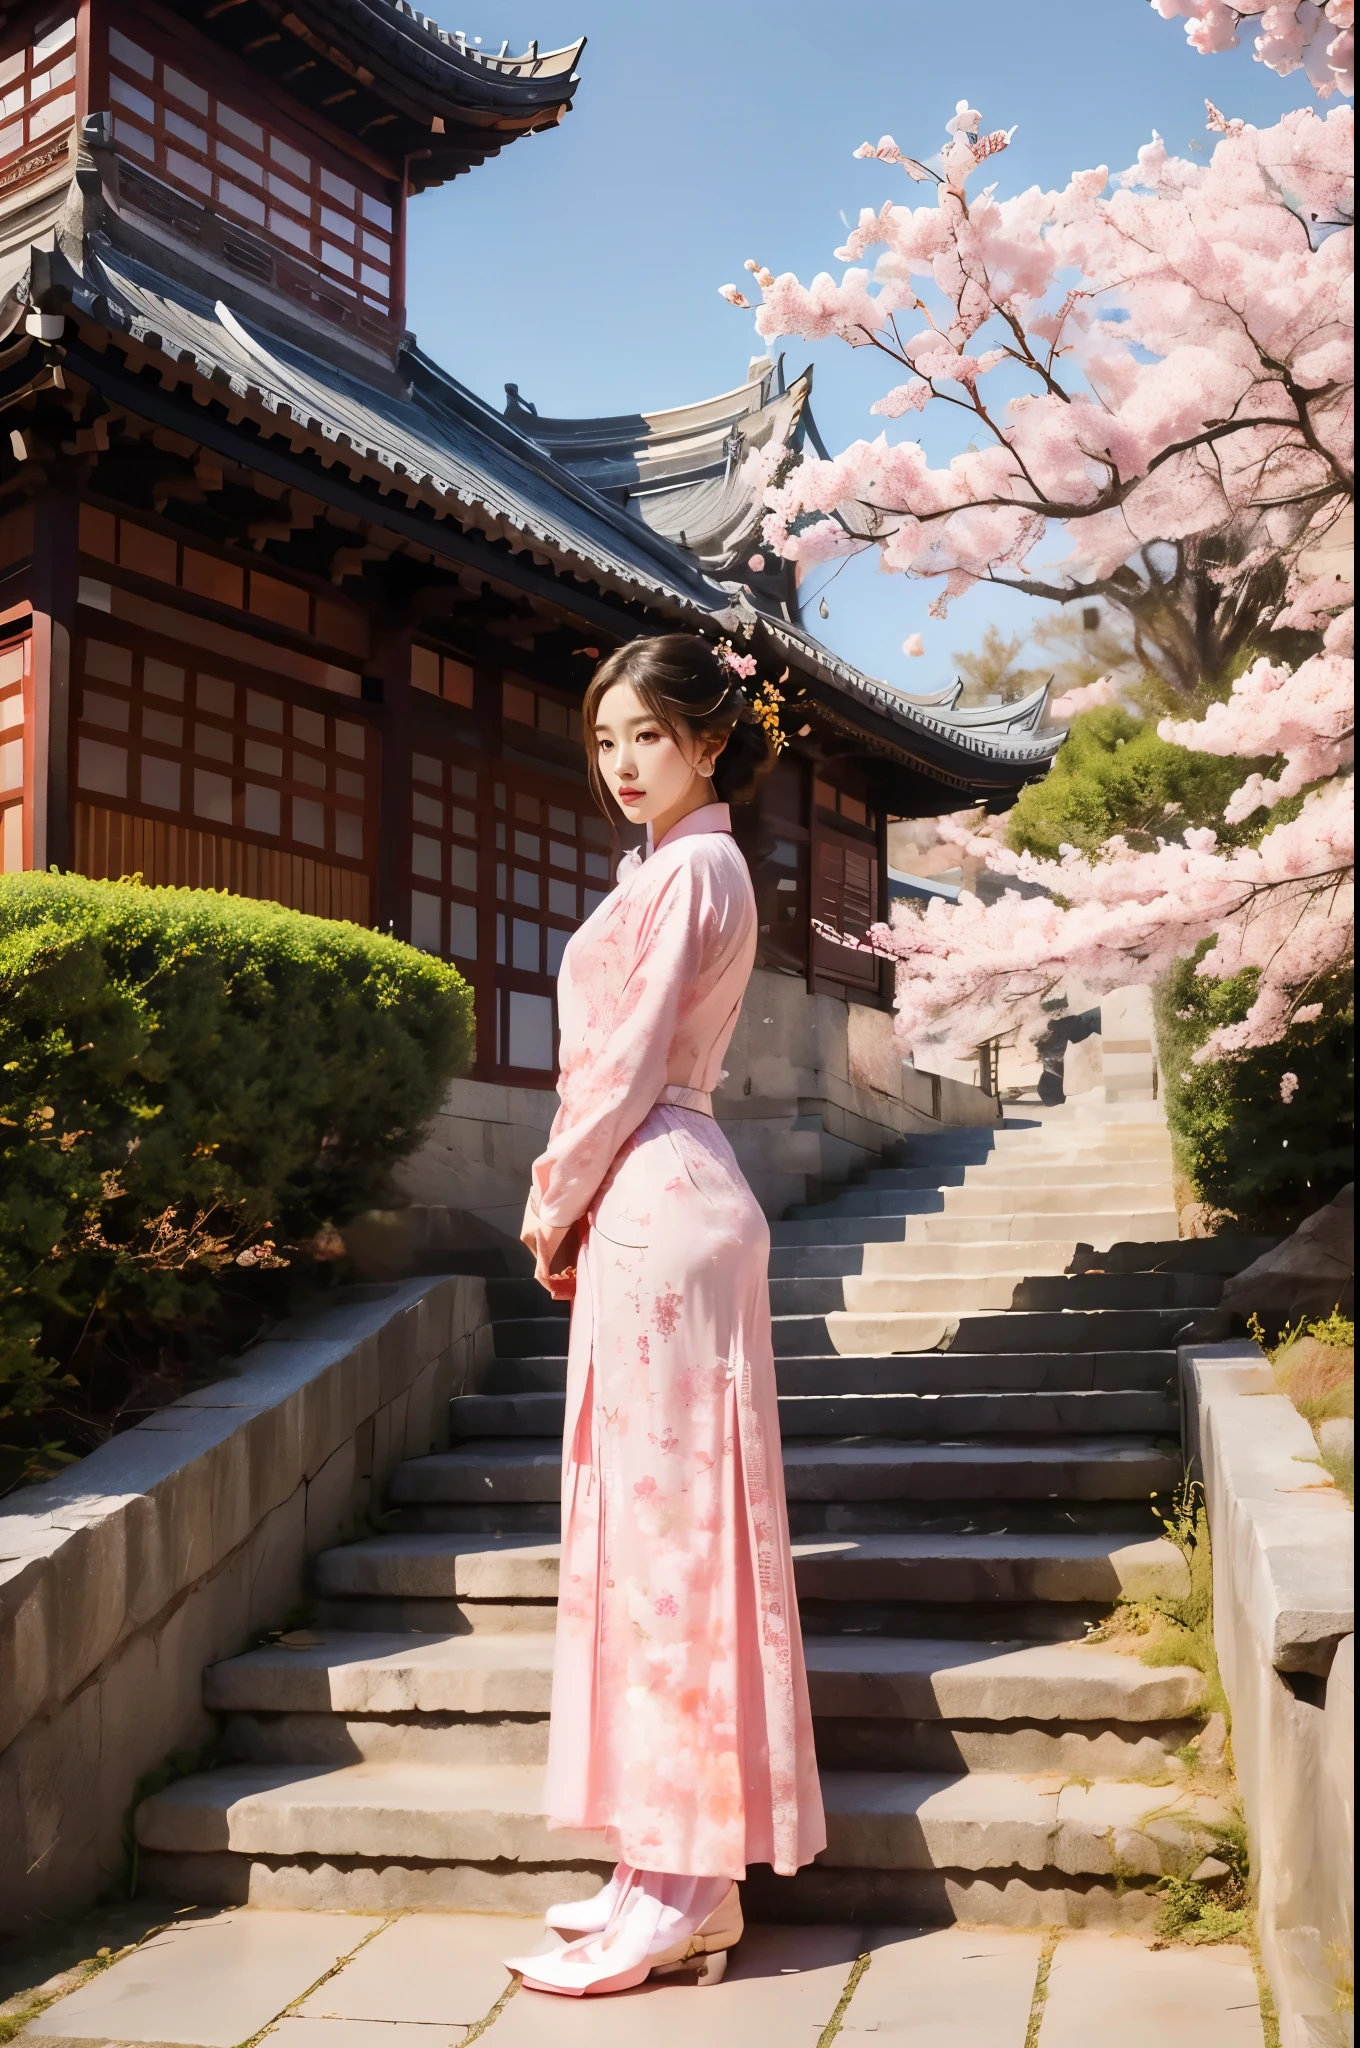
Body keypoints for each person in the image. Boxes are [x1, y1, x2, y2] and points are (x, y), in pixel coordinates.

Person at [504, 634, 825, 1998]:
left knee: (674, 1544)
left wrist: (548, 1199)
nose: (624, 764)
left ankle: (691, 1888)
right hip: (660, 1199)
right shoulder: (673, 867)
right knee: (652, 1537)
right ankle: (658, 1863)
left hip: (655, 1192)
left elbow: (625, 1062)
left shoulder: (695, 866)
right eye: (607, 741)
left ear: (710, 741)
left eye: (649, 735)